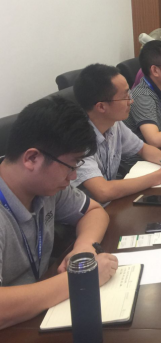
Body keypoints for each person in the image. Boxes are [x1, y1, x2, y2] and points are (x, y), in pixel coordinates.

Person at [0, 97, 118, 330]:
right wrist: (82, 279)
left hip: (40, 311)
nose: (73, 177)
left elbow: (94, 211)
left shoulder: (45, 188)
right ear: (32, 158)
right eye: (71, 165)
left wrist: (84, 249)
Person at [72, 64, 161, 203]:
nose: (131, 100)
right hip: (87, 211)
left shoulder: (113, 123)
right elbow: (103, 191)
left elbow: (142, 148)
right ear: (101, 106)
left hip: (112, 203)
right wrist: (159, 176)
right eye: (125, 97)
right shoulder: (77, 140)